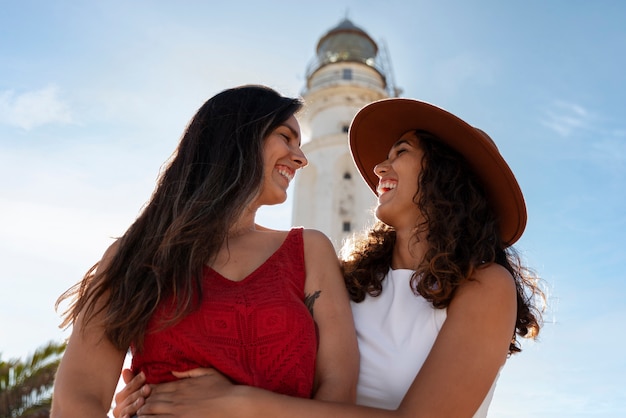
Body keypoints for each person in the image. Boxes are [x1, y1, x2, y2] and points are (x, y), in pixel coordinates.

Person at [114, 98, 545, 418]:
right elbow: (261, 354)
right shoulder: (343, 278)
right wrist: (153, 392)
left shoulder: (484, 285)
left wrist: (238, 404)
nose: (379, 167)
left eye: (401, 153)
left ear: (447, 176)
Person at [51, 85, 359, 417]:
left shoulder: (309, 250)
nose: (300, 158)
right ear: (236, 137)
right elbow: (78, 397)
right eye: (286, 137)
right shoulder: (136, 255)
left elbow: (339, 394)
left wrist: (241, 404)